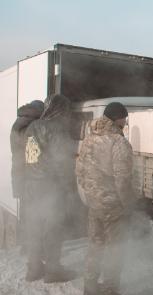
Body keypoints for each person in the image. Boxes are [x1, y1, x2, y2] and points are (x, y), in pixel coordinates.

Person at [76, 102, 136, 295]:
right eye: (124, 118)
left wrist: (90, 194)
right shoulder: (119, 143)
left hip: (94, 203)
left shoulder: (89, 139)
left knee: (95, 244)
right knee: (114, 249)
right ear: (117, 118)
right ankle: (110, 289)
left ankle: (90, 287)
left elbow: (80, 172)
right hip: (113, 206)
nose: (126, 122)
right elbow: (122, 179)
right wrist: (128, 204)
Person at [24, 94, 77, 282]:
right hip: (51, 186)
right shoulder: (57, 129)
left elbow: (29, 158)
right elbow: (62, 162)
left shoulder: (32, 127)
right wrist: (69, 187)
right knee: (53, 228)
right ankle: (53, 271)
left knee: (34, 227)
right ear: (60, 110)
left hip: (31, 185)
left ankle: (34, 269)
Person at [10, 100, 44, 252]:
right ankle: (31, 247)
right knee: (33, 211)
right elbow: (32, 155)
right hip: (29, 175)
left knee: (25, 210)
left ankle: (26, 244)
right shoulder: (31, 127)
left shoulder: (18, 123)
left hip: (19, 173)